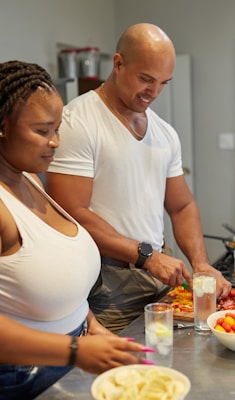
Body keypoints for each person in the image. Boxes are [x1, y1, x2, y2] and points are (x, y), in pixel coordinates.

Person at [46, 23, 232, 333]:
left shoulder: (165, 133)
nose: (154, 93)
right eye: (146, 79)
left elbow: (182, 205)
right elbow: (70, 215)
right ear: (118, 63)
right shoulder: (77, 123)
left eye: (163, 83)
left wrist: (200, 263)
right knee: (120, 371)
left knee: (168, 361)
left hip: (158, 270)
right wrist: (145, 256)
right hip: (107, 285)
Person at [0, 60, 152, 400]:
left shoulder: (28, 179)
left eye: (56, 130)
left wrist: (93, 329)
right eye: (42, 131)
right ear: (3, 127)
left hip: (65, 364)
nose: (54, 142)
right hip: (19, 378)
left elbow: (59, 273)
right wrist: (74, 350)